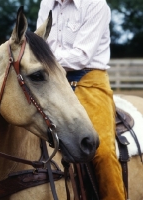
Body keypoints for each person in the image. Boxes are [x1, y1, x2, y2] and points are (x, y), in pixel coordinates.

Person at [37, 0, 126, 199]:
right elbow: (40, 42)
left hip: (89, 80)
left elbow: (81, 56)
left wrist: (39, 57)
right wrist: (37, 55)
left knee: (102, 152)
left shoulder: (96, 4)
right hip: (51, 79)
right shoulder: (47, 3)